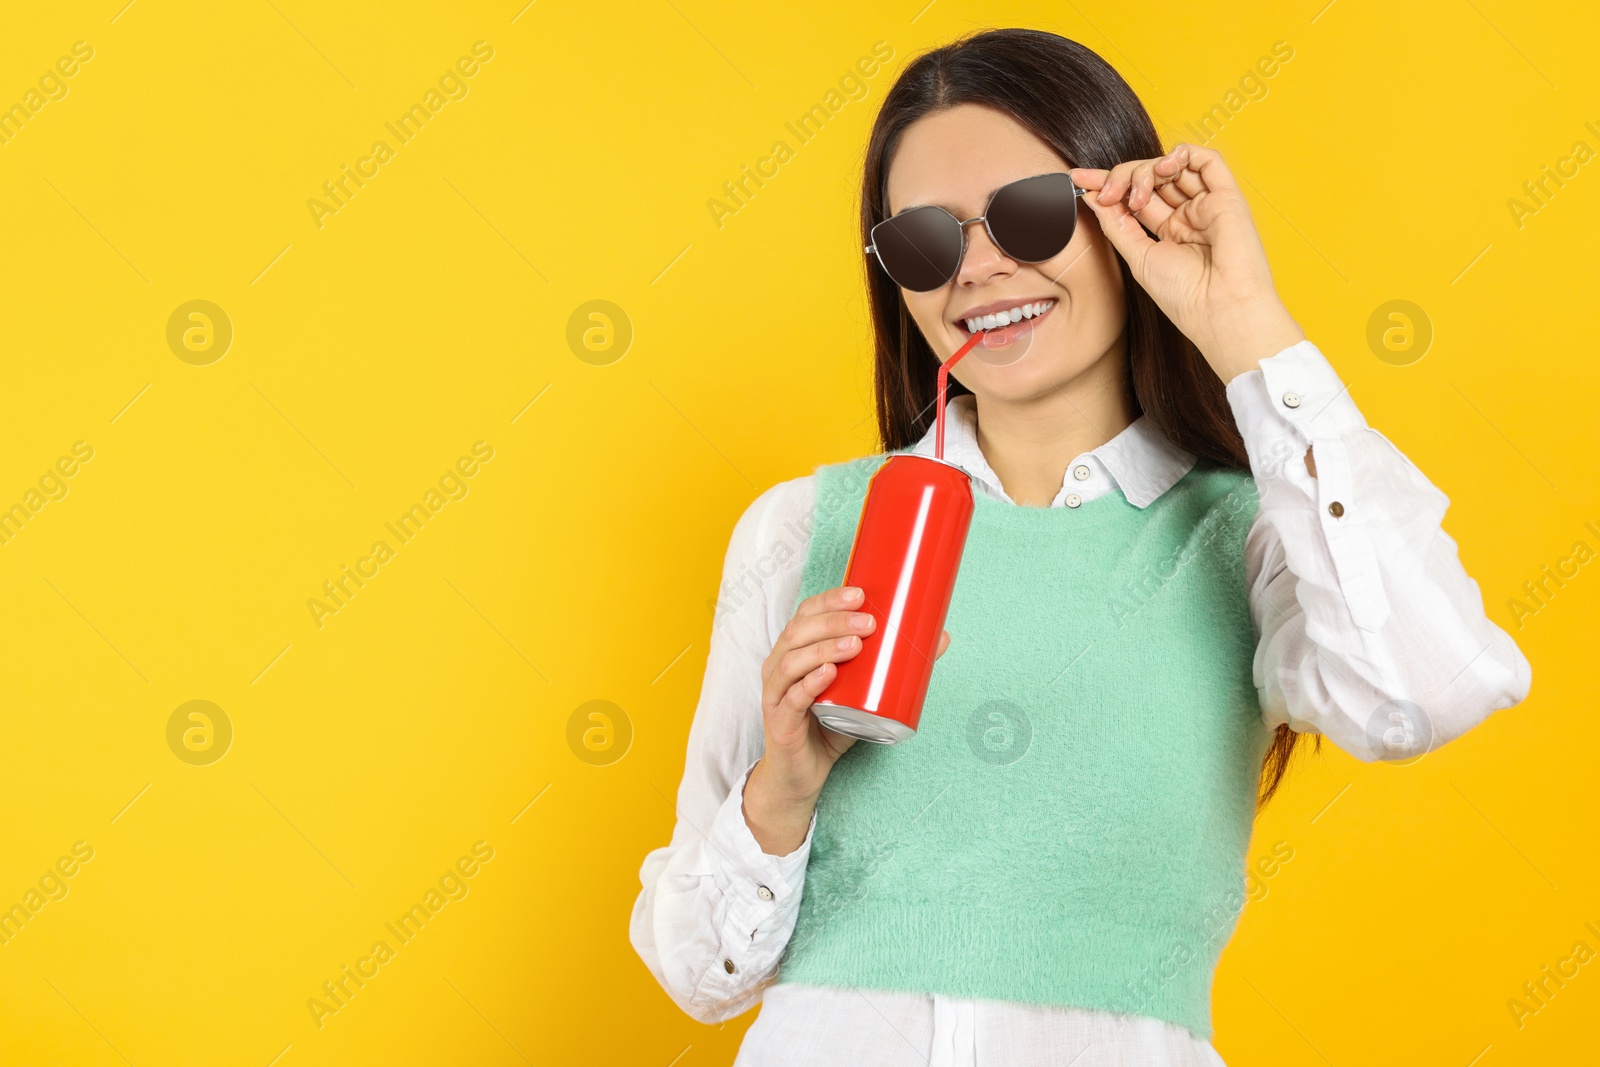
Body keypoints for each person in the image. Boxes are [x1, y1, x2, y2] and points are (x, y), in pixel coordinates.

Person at [630, 28, 1531, 1066]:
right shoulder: (803, 528)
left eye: (1029, 213)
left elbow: (1430, 691)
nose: (976, 267)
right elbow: (695, 976)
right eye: (926, 241)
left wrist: (1241, 322)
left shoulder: (1247, 536)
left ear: (1122, 214)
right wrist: (778, 789)